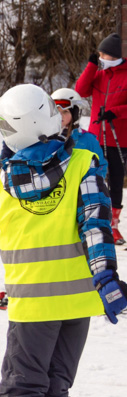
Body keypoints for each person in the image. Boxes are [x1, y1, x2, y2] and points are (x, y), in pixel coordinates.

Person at [0, 84, 124, 397]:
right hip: (77, 300)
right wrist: (107, 280)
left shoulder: (5, 174)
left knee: (22, 391)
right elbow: (97, 225)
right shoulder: (86, 162)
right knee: (52, 391)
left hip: (35, 303)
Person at [75, 33, 127, 245]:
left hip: (118, 138)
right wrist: (91, 66)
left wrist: (116, 112)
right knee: (91, 180)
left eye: (104, 54)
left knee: (115, 182)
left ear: (115, 56)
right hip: (95, 136)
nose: (101, 57)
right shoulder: (99, 74)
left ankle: (113, 226)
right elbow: (80, 90)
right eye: (99, 53)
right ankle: (91, 222)